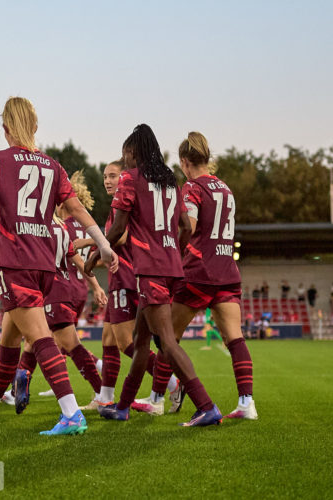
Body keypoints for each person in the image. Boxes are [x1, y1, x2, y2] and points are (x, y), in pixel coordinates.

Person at [0, 97, 116, 435]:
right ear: (35, 127)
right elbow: (75, 209)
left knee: (41, 338)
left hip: (14, 263)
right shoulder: (53, 166)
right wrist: (101, 241)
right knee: (9, 343)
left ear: (5, 129)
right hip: (44, 265)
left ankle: (71, 413)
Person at [87, 124, 221, 426]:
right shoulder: (170, 181)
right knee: (140, 340)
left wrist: (96, 253)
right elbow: (186, 227)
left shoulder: (130, 179)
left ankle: (206, 405)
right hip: (172, 268)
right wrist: (171, 250)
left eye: (126, 154)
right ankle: (122, 406)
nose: (125, 160)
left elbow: (118, 228)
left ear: (134, 152)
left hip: (151, 271)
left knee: (167, 342)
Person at [161, 131, 256, 419]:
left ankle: (159, 396)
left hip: (199, 271)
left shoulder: (191, 187)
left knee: (167, 338)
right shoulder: (225, 188)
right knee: (235, 338)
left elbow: (187, 227)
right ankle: (246, 404)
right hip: (227, 270)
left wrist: (171, 254)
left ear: (184, 162)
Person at [13, 189, 108, 413]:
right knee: (36, 339)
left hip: (56, 289)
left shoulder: (48, 225)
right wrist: (95, 285)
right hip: (75, 289)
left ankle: (102, 393)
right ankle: (16, 387)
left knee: (68, 343)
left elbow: (67, 251)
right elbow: (77, 254)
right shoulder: (68, 225)